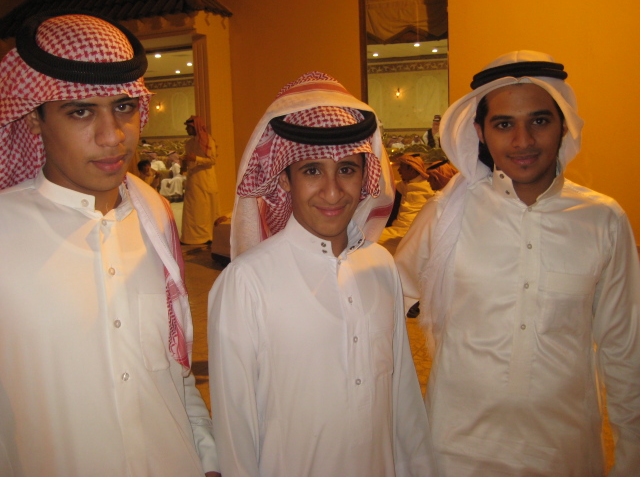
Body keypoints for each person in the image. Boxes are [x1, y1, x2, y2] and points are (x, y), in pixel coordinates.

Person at [395, 50, 640, 476]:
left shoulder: (603, 220)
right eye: (504, 124)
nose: (523, 141)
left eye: (539, 121)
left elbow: (624, 349)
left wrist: (632, 457)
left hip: (565, 452)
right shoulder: (446, 214)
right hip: (453, 451)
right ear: (481, 132)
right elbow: (385, 304)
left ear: (563, 125)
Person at [0, 12, 219, 477]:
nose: (113, 135)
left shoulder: (154, 214)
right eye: (80, 111)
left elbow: (173, 366)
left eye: (123, 107)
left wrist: (207, 454)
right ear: (34, 118)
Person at [208, 71, 437, 477]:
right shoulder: (245, 282)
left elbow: (403, 399)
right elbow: (234, 430)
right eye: (312, 171)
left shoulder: (380, 265)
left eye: (346, 169)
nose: (332, 192)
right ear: (284, 179)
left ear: (365, 177)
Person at [379, 152, 435, 254]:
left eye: (402, 167)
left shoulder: (429, 186)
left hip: (412, 230)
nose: (399, 170)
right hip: (397, 227)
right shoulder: (403, 185)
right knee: (371, 237)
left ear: (412, 169)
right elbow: (387, 184)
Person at [181, 115, 220, 244]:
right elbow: (189, 160)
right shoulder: (189, 143)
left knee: (203, 208)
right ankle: (191, 237)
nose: (186, 130)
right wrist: (184, 163)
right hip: (193, 179)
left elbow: (212, 160)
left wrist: (196, 159)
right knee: (192, 208)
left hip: (205, 179)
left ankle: (205, 236)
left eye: (188, 127)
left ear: (195, 127)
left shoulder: (208, 140)